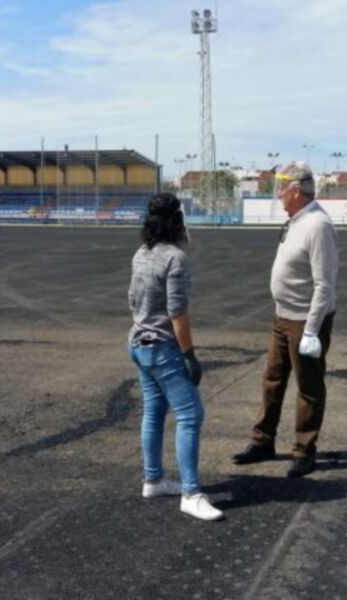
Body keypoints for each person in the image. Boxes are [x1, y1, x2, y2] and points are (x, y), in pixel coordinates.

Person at [233, 162, 338, 478]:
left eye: (282, 188)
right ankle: (263, 441)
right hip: (282, 316)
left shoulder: (317, 225)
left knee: (308, 386)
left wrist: (311, 330)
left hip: (305, 321)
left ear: (296, 191)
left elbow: (324, 284)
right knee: (272, 380)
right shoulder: (295, 220)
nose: (278, 194)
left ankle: (305, 449)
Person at [127, 193, 223, 521]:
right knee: (190, 414)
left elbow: (132, 299)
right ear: (177, 220)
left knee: (154, 411)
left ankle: (153, 478)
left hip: (139, 342)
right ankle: (191, 493)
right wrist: (190, 355)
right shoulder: (175, 259)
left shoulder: (141, 253)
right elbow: (177, 312)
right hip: (162, 347)